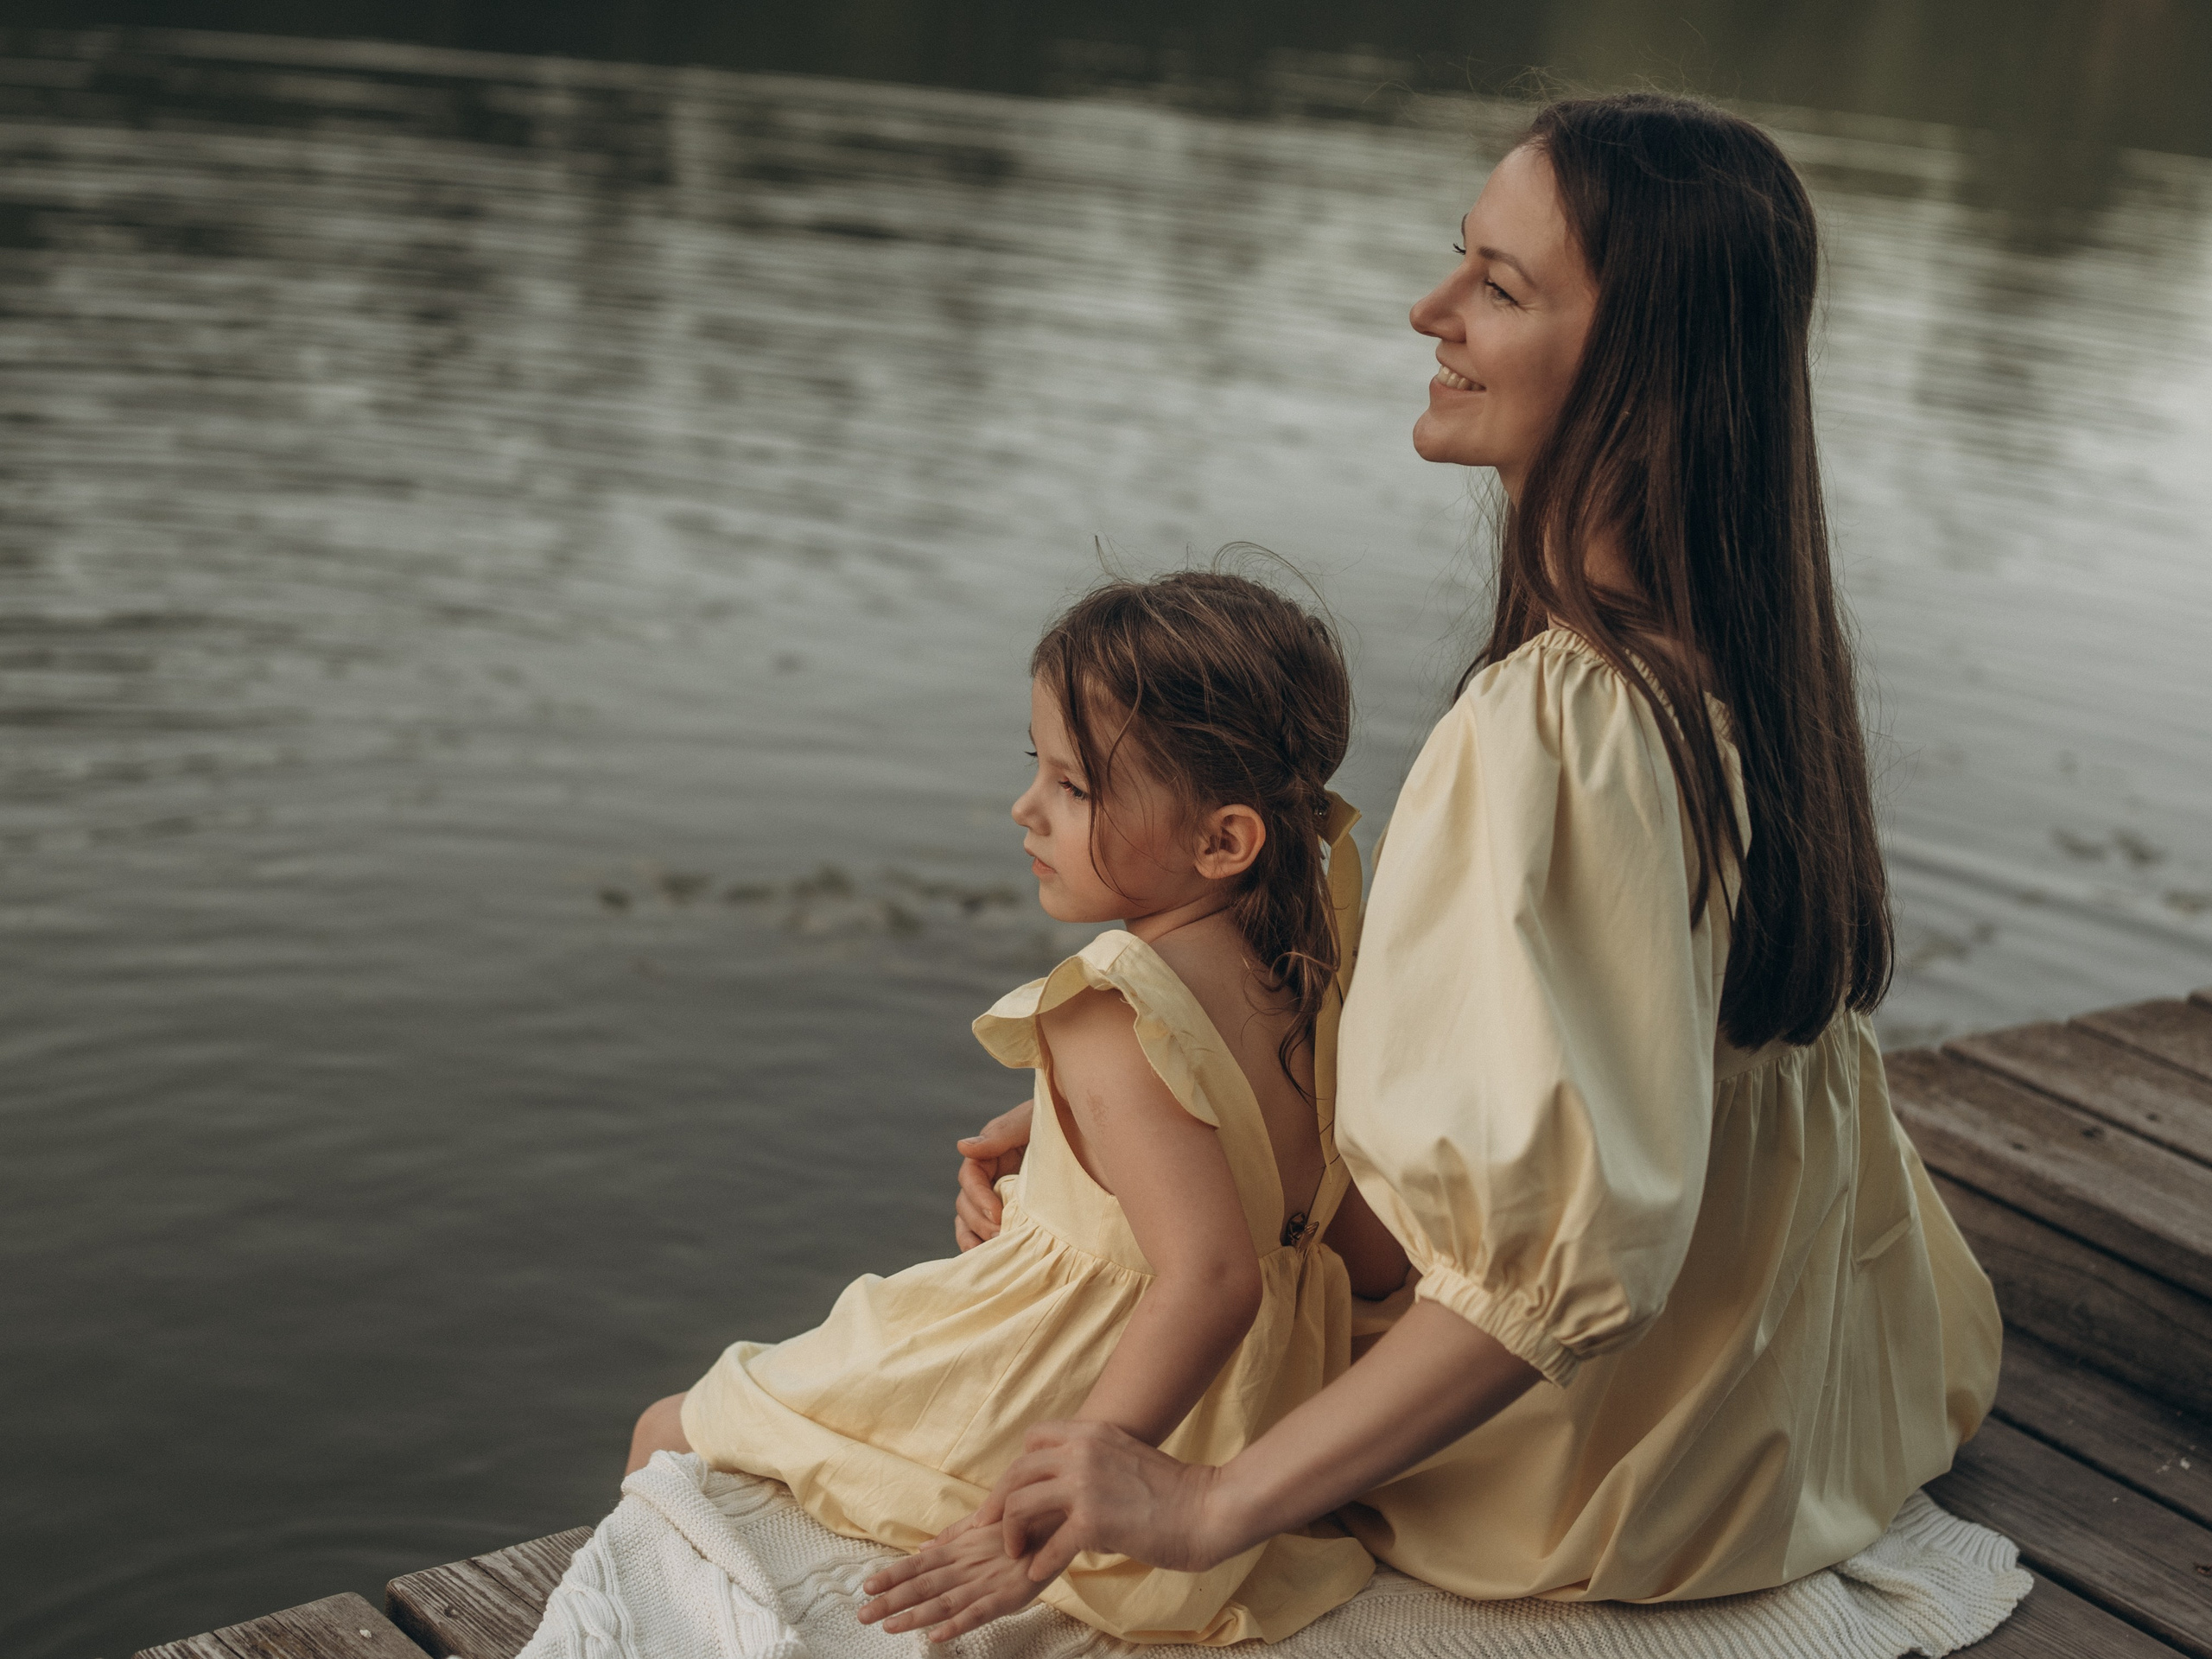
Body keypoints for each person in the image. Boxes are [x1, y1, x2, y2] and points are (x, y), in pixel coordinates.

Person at [858, 92, 2004, 1642]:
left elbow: (1560, 1257)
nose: (1431, 309)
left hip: (1615, 1463)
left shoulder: (1561, 724)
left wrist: (1208, 1501)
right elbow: (1579, 1080)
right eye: (1456, 259)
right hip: (1816, 1391)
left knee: (767, 1429)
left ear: (1641, 373)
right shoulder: (1736, 659)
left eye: (1501, 287)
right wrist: (1140, 1102)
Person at [626, 570, 1410, 1644]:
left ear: (1222, 841)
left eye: (1073, 788)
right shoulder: (1311, 960)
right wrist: (1073, 1139)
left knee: (672, 1429)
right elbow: (1319, 1202)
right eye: (1032, 769)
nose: (1025, 808)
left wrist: (1048, 1508)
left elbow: (1212, 1281)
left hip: (1076, 1379)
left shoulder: (1107, 1001)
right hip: (1257, 1400)